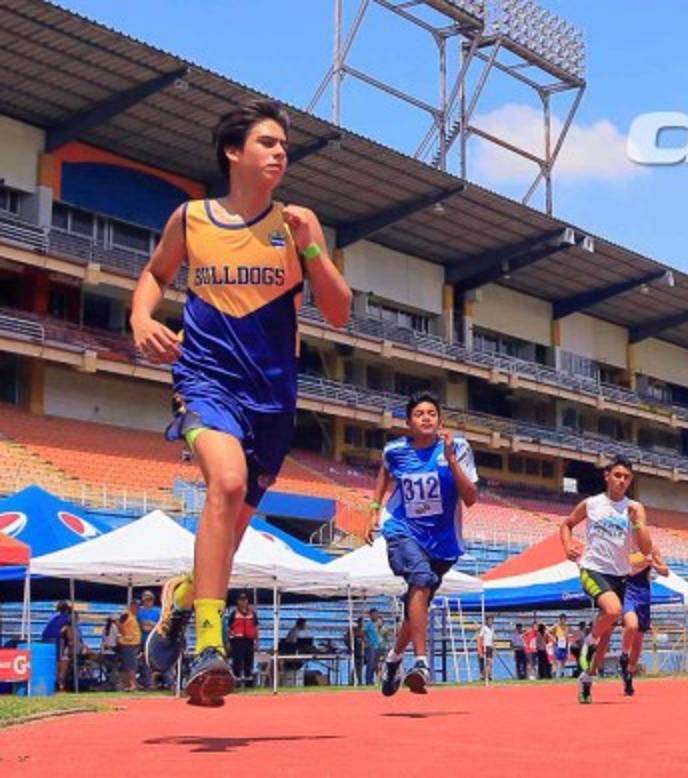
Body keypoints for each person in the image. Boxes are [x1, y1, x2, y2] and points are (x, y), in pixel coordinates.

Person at [135, 98, 351, 707]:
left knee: (231, 529)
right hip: (206, 380)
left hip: (273, 400)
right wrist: (138, 317)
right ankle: (210, 646)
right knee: (224, 487)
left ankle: (181, 601)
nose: (280, 151)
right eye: (266, 142)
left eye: (284, 144)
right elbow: (155, 273)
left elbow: (338, 310)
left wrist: (312, 251)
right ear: (234, 152)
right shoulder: (192, 219)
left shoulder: (297, 224)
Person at [373, 393, 479, 697]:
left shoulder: (458, 448)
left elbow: (470, 498)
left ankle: (393, 660)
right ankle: (421, 663)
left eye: (432, 413)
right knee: (419, 580)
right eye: (419, 413)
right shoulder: (395, 451)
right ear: (409, 422)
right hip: (402, 529)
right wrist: (372, 510)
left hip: (444, 542)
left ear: (440, 420)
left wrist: (451, 460)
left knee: (417, 604)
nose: (426, 418)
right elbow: (384, 470)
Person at [560, 455, 653, 704]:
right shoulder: (591, 504)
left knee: (605, 641)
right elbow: (566, 524)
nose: (622, 481)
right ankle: (588, 641)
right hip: (592, 569)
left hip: (619, 576)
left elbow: (645, 549)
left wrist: (637, 524)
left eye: (626, 477)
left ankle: (586, 679)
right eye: (617, 475)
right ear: (607, 476)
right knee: (613, 610)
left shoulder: (635, 508)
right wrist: (568, 544)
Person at [620, 547, 669, 696]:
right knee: (631, 625)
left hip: (644, 596)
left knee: (639, 642)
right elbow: (625, 573)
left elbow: (665, 571)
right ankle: (623, 656)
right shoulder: (625, 548)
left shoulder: (652, 550)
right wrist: (642, 564)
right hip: (628, 592)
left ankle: (629, 674)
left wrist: (652, 563)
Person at [227, 591, 259, 687]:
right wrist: (232, 636)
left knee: (249, 661)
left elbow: (256, 628)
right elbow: (229, 628)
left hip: (249, 640)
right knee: (237, 661)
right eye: (241, 600)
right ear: (238, 602)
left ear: (247, 601)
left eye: (245, 600)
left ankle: (248, 681)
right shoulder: (234, 613)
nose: (243, 602)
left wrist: (257, 641)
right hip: (237, 641)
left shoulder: (252, 613)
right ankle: (236, 681)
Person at [136, 590, 161, 689]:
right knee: (143, 661)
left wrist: (152, 624)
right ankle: (146, 681)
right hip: (142, 639)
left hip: (153, 640)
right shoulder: (139, 611)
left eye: (150, 600)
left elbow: (160, 624)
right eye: (146, 600)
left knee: (152, 661)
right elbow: (139, 625)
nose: (148, 602)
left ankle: (151, 681)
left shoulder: (157, 612)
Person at [117, 599, 142, 692]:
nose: (137, 608)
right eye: (136, 606)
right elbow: (119, 623)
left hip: (133, 644)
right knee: (131, 665)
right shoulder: (126, 614)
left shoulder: (134, 616)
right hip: (128, 644)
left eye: (138, 606)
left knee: (130, 664)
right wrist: (125, 634)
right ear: (132, 606)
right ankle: (132, 684)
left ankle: (127, 684)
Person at [363, 609, 385, 685]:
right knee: (370, 664)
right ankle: (368, 680)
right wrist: (367, 642)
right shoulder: (368, 624)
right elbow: (364, 633)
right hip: (371, 646)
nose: (376, 616)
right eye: (374, 614)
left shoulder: (378, 624)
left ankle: (377, 680)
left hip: (378, 646)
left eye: (377, 614)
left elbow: (384, 634)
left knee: (377, 664)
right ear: (370, 615)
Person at [475, 615, 495, 682]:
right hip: (484, 646)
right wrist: (480, 649)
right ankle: (484, 676)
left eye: (491, 620)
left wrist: (494, 648)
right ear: (487, 620)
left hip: (490, 646)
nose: (490, 621)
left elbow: (492, 639)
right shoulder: (484, 628)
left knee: (490, 662)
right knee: (486, 662)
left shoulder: (492, 629)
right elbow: (480, 637)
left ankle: (488, 676)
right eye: (489, 620)